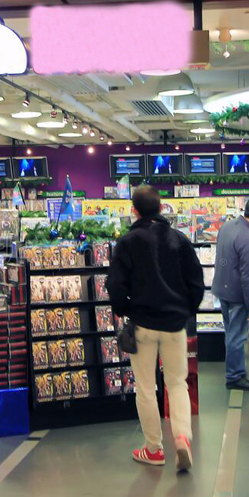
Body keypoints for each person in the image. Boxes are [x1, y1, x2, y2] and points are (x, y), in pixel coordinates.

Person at [106, 186, 204, 471]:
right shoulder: (179, 240)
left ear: (134, 211)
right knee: (177, 383)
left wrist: (126, 309)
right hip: (175, 324)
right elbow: (196, 282)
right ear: (161, 208)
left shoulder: (127, 242)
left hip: (143, 324)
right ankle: (182, 437)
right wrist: (186, 310)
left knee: (146, 388)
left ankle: (154, 449)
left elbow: (115, 286)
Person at [212, 197, 249, 391]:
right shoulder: (247, 238)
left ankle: (237, 370)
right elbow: (248, 276)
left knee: (231, 333)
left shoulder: (227, 227)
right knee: (237, 336)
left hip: (222, 289)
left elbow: (222, 258)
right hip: (237, 294)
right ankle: (234, 376)